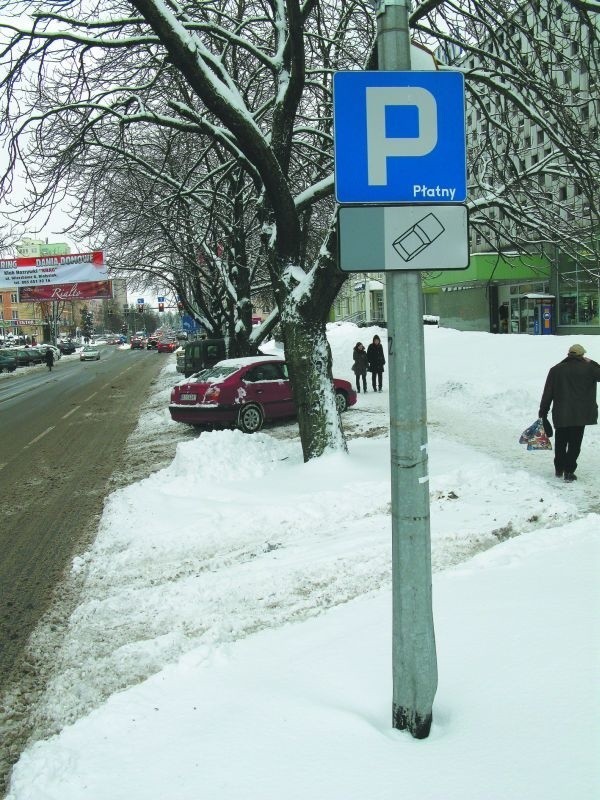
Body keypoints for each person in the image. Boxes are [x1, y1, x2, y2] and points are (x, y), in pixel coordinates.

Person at [538, 343, 600, 482]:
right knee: (575, 443)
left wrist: (543, 412)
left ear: (569, 354)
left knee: (560, 442)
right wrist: (592, 362)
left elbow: (547, 393)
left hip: (561, 413)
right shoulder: (590, 368)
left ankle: (559, 468)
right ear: (582, 355)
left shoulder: (556, 369)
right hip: (580, 414)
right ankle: (569, 471)